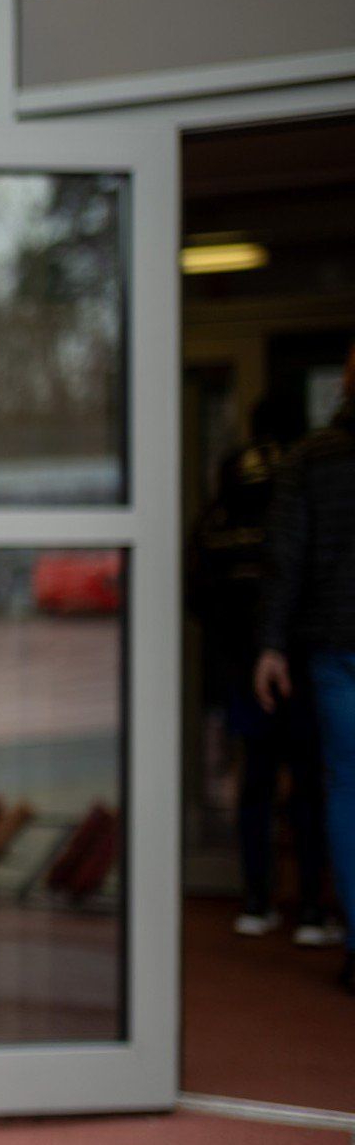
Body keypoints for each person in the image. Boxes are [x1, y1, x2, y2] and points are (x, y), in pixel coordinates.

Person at [189, 396, 331, 940]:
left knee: (256, 780)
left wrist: (230, 647)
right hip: (300, 658)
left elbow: (198, 584)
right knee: (310, 783)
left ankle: (255, 900)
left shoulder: (225, 496)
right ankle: (313, 909)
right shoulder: (301, 480)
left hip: (241, 662)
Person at [256, 346, 355, 993]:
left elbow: (284, 557)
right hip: (333, 644)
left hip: (334, 645)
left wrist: (271, 645)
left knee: (346, 789)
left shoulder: (310, 458)